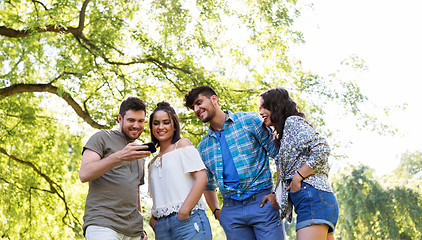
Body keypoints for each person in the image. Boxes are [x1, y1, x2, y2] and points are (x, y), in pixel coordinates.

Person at [184, 85, 285, 240]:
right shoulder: (204, 146)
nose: (196, 109)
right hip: (231, 211)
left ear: (214, 99)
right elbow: (208, 184)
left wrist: (276, 194)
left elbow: (280, 155)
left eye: (199, 103)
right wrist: (218, 213)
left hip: (263, 203)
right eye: (193, 107)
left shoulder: (249, 121)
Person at [258, 88, 339, 240]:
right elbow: (282, 168)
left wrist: (298, 177)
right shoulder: (282, 135)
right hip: (315, 199)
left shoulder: (292, 122)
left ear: (276, 106)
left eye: (264, 107)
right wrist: (276, 194)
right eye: (259, 108)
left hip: (313, 198)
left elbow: (321, 148)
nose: (260, 112)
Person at [79, 96, 151, 240]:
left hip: (133, 231)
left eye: (140, 121)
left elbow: (135, 192)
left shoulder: (139, 152)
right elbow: (84, 173)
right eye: (131, 120)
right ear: (120, 119)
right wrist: (120, 156)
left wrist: (141, 227)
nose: (136, 125)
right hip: (102, 225)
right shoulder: (102, 137)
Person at [147, 101, 212, 240]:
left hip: (188, 221)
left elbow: (202, 178)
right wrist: (153, 221)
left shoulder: (182, 145)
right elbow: (159, 196)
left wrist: (184, 212)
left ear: (174, 125)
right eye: (156, 123)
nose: (161, 127)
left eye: (166, 122)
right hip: (162, 228)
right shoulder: (152, 162)